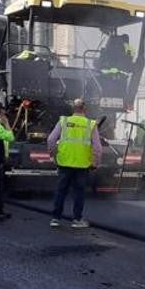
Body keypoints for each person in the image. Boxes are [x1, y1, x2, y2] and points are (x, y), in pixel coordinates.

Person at [47, 98, 101, 229]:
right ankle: (77, 220)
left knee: (61, 191)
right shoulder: (91, 124)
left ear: (73, 109)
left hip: (64, 162)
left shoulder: (64, 121)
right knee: (79, 192)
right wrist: (95, 163)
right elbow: (97, 147)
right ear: (85, 109)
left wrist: (53, 155)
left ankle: (55, 218)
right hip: (82, 165)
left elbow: (51, 139)